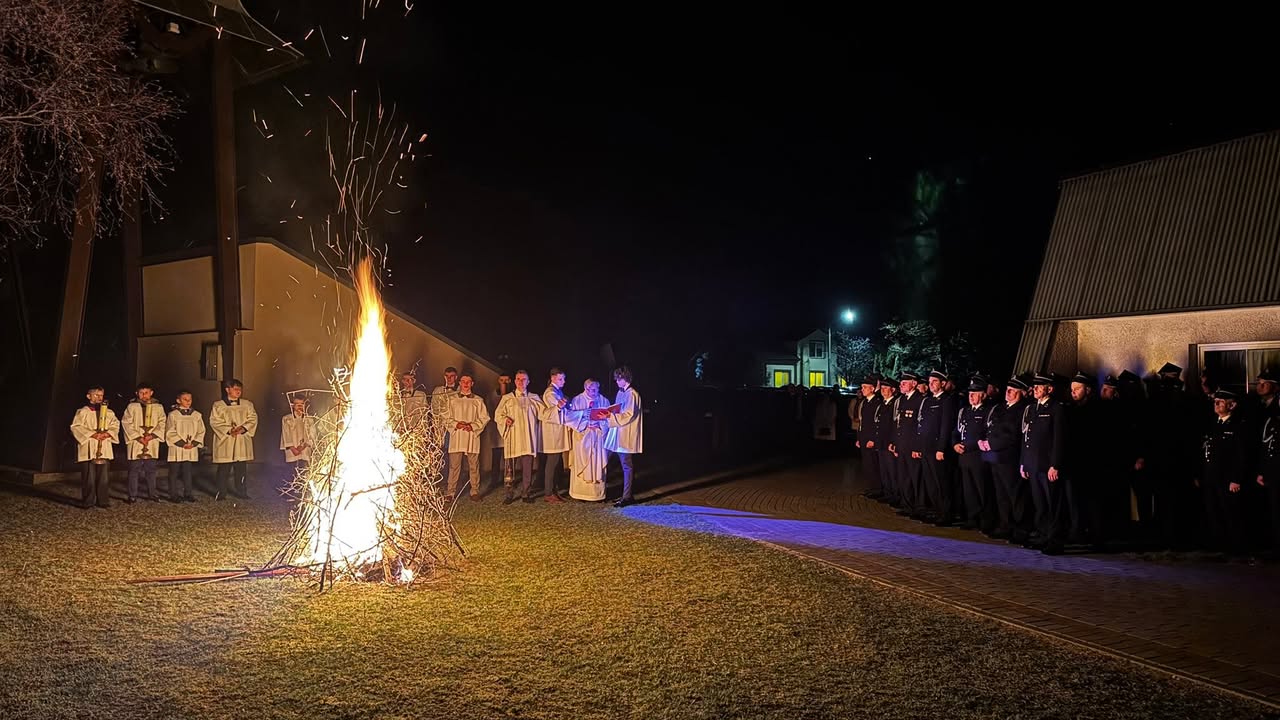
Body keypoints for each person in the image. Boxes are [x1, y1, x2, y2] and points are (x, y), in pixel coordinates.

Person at [1199, 390, 1252, 554]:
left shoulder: (1238, 425)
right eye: (1215, 401)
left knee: (1230, 511)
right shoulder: (1213, 424)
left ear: (1232, 405)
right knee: (1213, 510)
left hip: (1227, 477)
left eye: (1220, 401)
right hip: (1211, 476)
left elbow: (1241, 455)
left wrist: (1236, 479)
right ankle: (1219, 544)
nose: (1216, 404)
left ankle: (1236, 547)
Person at [1021, 373, 1067, 554]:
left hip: (1047, 465)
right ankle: (1042, 536)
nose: (1035, 389)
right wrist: (1024, 463)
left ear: (1050, 389)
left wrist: (1055, 465)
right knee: (1040, 504)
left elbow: (1059, 439)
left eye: (1040, 386)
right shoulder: (1033, 408)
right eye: (1035, 386)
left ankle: (1055, 541)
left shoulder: (1056, 408)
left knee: (1052, 504)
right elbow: (1027, 437)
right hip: (1033, 464)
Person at [982, 376, 1031, 542]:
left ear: (1021, 393)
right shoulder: (1001, 408)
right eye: (1007, 390)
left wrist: (991, 444)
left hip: (1010, 459)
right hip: (996, 458)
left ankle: (1020, 529)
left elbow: (1013, 435)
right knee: (1001, 495)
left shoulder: (1022, 410)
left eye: (1012, 391)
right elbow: (991, 427)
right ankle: (1005, 525)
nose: (1007, 393)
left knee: (1015, 495)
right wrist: (985, 441)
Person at [495, 370, 544, 504]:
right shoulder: (507, 398)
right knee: (509, 469)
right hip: (513, 437)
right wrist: (505, 419)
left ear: (528, 382)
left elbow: (544, 414)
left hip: (528, 437)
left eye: (523, 379)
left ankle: (525, 492)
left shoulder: (534, 398)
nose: (521, 382)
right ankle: (509, 494)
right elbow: (498, 414)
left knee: (527, 467)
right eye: (518, 379)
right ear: (515, 381)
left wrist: (557, 408)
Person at [918, 370, 958, 525]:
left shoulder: (947, 401)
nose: (931, 384)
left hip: (937, 448)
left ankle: (946, 513)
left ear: (943, 383)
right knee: (930, 481)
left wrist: (941, 448)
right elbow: (922, 425)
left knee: (941, 482)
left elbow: (945, 427)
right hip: (926, 446)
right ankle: (936, 509)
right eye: (929, 382)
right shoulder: (928, 401)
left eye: (934, 381)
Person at [953, 376, 994, 532]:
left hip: (979, 457)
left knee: (982, 490)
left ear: (983, 395)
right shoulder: (964, 411)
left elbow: (987, 434)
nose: (971, 396)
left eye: (974, 393)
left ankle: (986, 520)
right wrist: (955, 444)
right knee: (969, 490)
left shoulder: (988, 411)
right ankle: (972, 518)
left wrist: (969, 446)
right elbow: (956, 431)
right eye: (970, 393)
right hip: (964, 457)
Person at [70, 386, 119, 509]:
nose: (99, 398)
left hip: (104, 445)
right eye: (96, 395)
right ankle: (88, 500)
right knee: (89, 476)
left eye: (101, 395)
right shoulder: (83, 411)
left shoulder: (109, 412)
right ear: (89, 396)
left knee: (104, 476)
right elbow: (76, 427)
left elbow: (115, 425)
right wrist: (92, 434)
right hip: (89, 445)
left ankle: (103, 500)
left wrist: (108, 433)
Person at [601, 365, 643, 507]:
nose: (617, 381)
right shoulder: (621, 392)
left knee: (626, 465)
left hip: (626, 433)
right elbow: (618, 410)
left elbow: (629, 415)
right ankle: (611, 493)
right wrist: (610, 413)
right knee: (606, 458)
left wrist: (611, 416)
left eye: (619, 379)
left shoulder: (632, 394)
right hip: (617, 432)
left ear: (626, 378)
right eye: (616, 379)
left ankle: (627, 496)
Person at [209, 378, 258, 500]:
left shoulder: (247, 404)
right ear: (227, 389)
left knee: (241, 469)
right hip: (226, 440)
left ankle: (242, 492)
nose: (238, 391)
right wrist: (229, 430)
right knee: (224, 469)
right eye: (235, 389)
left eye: (240, 389)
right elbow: (214, 421)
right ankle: (221, 492)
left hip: (241, 440)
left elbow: (253, 418)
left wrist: (243, 428)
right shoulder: (218, 405)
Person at [567, 378, 612, 501]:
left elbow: (609, 419)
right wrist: (586, 424)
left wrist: (600, 424)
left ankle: (597, 495)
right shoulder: (577, 400)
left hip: (598, 437)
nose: (594, 392)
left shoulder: (604, 400)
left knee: (597, 463)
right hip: (582, 438)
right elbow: (570, 419)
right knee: (582, 464)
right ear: (585, 388)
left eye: (596, 389)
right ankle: (579, 494)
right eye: (591, 390)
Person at [446, 374, 490, 501]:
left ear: (472, 384)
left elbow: (485, 417)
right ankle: (450, 493)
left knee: (474, 465)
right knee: (454, 466)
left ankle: (474, 491)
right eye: (463, 381)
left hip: (472, 436)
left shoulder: (478, 400)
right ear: (459, 383)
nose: (465, 384)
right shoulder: (452, 399)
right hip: (457, 436)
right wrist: (456, 424)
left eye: (468, 381)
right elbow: (445, 417)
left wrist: (473, 426)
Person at [121, 382, 167, 503]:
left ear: (151, 393)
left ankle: (152, 493)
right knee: (134, 469)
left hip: (151, 442)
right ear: (137, 393)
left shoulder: (158, 407)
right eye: (141, 393)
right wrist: (138, 437)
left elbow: (162, 422)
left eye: (146, 392)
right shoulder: (132, 406)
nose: (144, 395)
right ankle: (132, 495)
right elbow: (126, 422)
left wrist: (152, 435)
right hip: (136, 442)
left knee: (151, 469)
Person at [892, 372, 925, 518]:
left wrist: (917, 447)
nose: (901, 385)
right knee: (904, 476)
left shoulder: (920, 400)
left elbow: (920, 426)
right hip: (902, 444)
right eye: (901, 383)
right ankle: (907, 504)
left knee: (915, 477)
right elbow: (898, 424)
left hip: (912, 446)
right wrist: (895, 443)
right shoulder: (903, 400)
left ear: (914, 383)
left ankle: (919, 506)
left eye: (904, 383)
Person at [1254, 369, 1280, 557]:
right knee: (1268, 508)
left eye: (1265, 383)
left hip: (1276, 465)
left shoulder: (1276, 407)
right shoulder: (1257, 406)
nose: (1260, 387)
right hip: (1265, 465)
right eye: (1259, 383)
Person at [165, 390, 204, 502]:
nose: (188, 401)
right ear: (178, 400)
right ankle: (173, 494)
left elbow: (201, 431)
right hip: (177, 447)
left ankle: (188, 493)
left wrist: (194, 443)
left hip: (190, 447)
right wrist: (182, 443)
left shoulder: (197, 415)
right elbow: (170, 431)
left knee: (188, 472)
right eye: (185, 399)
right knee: (174, 472)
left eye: (190, 399)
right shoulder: (173, 415)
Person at [539, 368, 572, 503]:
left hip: (557, 431)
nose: (563, 381)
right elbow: (557, 410)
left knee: (556, 462)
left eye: (564, 379)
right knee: (552, 462)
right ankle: (548, 492)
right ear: (552, 378)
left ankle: (554, 490)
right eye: (560, 379)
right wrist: (562, 406)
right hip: (553, 433)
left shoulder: (557, 391)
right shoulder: (550, 393)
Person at [855, 375, 883, 499]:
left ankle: (877, 489)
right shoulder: (865, 402)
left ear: (872, 388)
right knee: (867, 465)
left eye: (865, 387)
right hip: (863, 438)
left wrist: (873, 439)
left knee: (873, 465)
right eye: (862, 387)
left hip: (870, 439)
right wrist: (859, 438)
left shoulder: (876, 403)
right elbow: (862, 423)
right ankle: (871, 487)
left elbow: (876, 423)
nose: (862, 390)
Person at [280, 396, 316, 483]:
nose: (299, 406)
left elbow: (312, 434)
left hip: (304, 451)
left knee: (304, 473)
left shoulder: (309, 419)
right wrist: (293, 448)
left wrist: (303, 447)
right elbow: (286, 434)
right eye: (297, 404)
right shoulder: (287, 419)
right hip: (292, 451)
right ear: (292, 405)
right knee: (291, 474)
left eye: (302, 404)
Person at [485, 373, 512, 490]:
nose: (504, 382)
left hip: (509, 431)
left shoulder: (513, 395)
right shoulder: (492, 396)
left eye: (506, 380)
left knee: (509, 459)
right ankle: (494, 480)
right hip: (496, 432)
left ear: (510, 381)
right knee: (496, 459)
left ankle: (509, 480)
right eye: (502, 380)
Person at [876, 378, 900, 507]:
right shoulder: (883, 404)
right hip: (882, 442)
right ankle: (887, 493)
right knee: (884, 470)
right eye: (882, 388)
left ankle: (896, 495)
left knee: (892, 471)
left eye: (886, 388)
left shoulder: (894, 404)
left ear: (893, 390)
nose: (883, 390)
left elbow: (895, 425)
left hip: (889, 443)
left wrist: (893, 442)